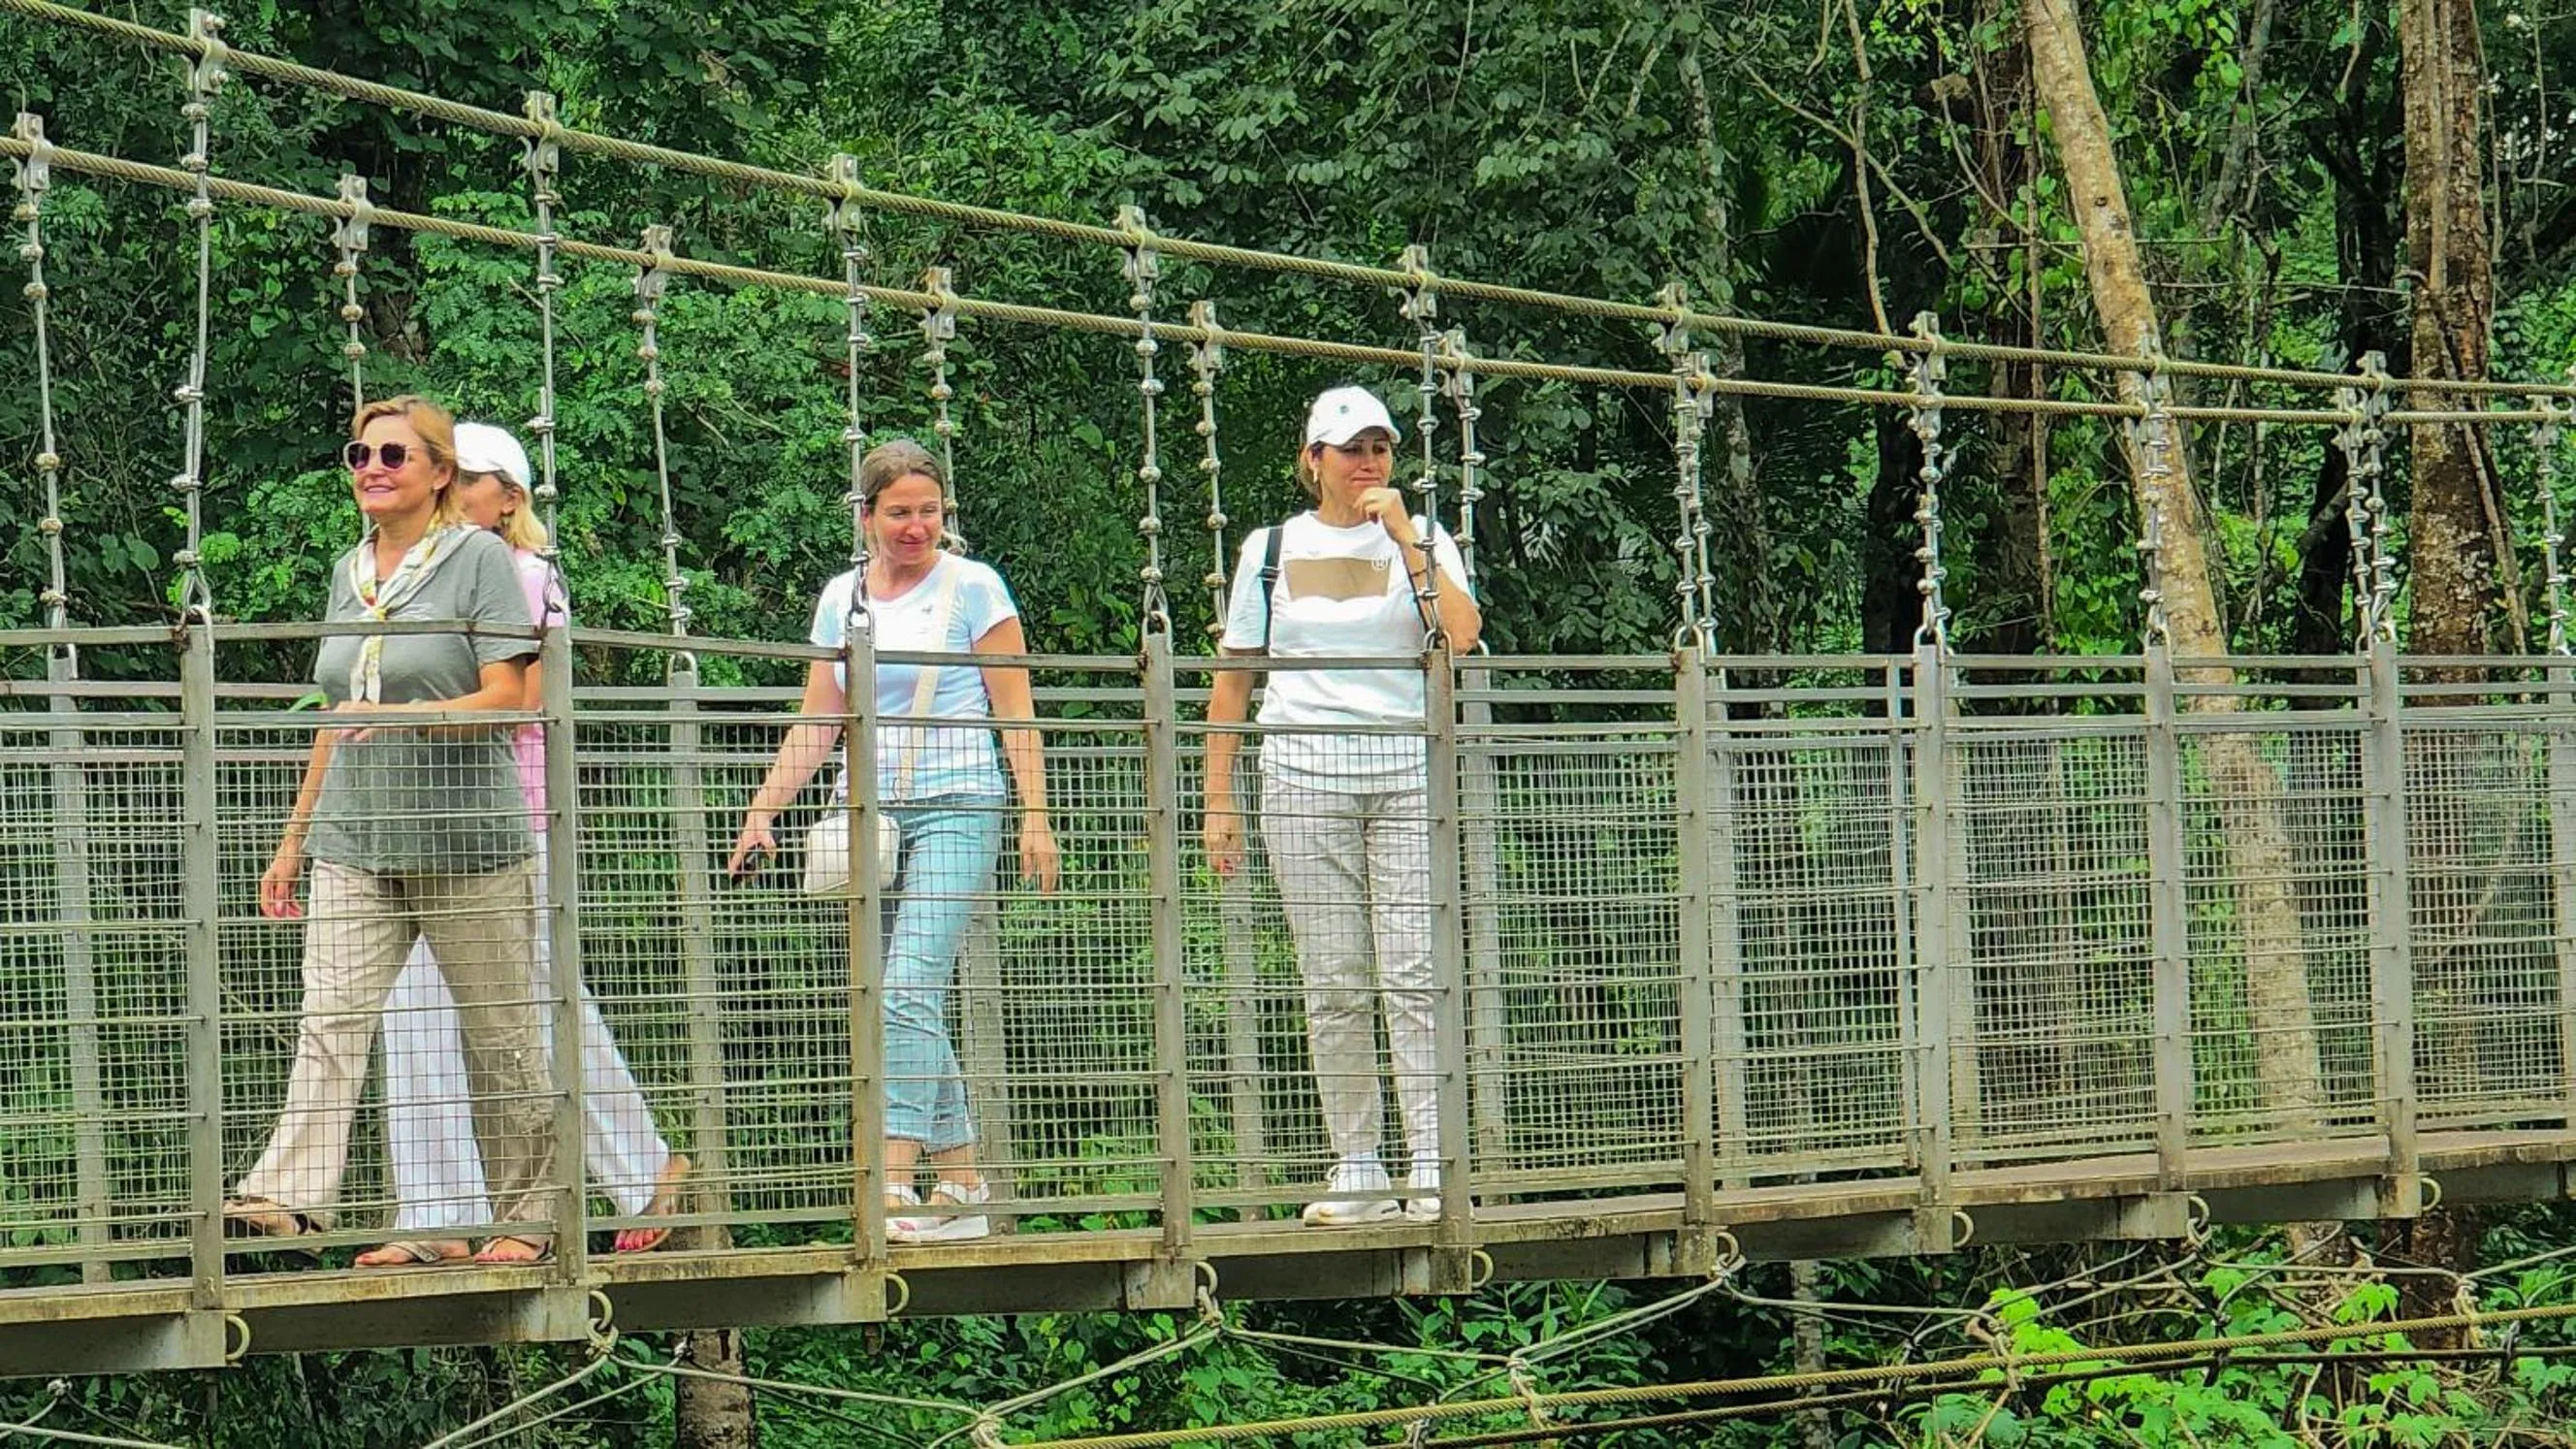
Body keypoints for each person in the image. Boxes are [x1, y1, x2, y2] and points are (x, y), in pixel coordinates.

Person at [228, 396, 559, 1265]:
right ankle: (290, 1198)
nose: (371, 467)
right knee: (330, 1019)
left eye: (393, 455)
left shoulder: (480, 558)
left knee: (500, 1033)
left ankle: (528, 1217)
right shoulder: (352, 569)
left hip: (465, 840)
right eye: (359, 454)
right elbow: (337, 715)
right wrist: (294, 837)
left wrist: (412, 714)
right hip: (356, 837)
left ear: (439, 473)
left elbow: (508, 700)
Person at [354, 423, 689, 1268]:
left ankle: (644, 1169)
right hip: (411, 821)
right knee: (413, 1010)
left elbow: (523, 695)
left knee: (538, 1002)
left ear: (509, 498)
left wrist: (415, 686)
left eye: (469, 479)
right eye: (449, 476)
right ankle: (437, 1215)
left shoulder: (530, 575)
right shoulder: (402, 573)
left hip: (507, 826)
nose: (450, 490)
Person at [726, 437, 1060, 1244]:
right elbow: (820, 716)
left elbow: (1015, 708)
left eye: (930, 510)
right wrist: (764, 807)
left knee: (909, 984)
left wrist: (1035, 815)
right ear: (869, 515)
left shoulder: (975, 586)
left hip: (960, 798)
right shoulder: (843, 596)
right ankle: (963, 1185)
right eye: (901, 512)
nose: (917, 527)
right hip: (866, 810)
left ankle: (895, 1183)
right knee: (895, 996)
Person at [1201, 384, 1482, 1227]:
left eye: (1380, 448)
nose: (1368, 462)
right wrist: (1219, 799)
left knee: (1414, 975)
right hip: (1303, 774)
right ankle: (1357, 1163)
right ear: (1313, 459)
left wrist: (1403, 537)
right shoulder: (1270, 548)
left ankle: (1430, 1164)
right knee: (1333, 981)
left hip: (1406, 771)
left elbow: (1462, 635)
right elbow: (1235, 674)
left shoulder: (1424, 541)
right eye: (1351, 448)